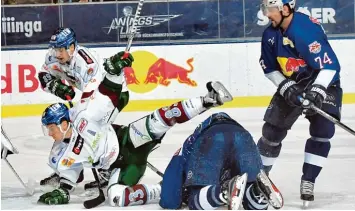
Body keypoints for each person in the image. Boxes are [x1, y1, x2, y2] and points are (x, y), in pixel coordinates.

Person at [37, 76, 234, 205]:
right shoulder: (58, 153)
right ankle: (170, 190)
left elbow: (107, 94)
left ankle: (208, 100)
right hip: (119, 167)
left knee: (160, 119)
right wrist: (63, 191)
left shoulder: (84, 116)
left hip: (127, 139)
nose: (49, 133)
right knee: (116, 198)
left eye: (52, 128)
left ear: (64, 124)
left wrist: (114, 74)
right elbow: (72, 170)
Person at [258, 0, 342, 207]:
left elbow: (331, 66)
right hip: (293, 83)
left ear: (286, 9)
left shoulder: (304, 32)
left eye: (271, 9)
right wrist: (285, 86)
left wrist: (317, 90)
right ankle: (257, 178)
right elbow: (269, 68)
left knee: (323, 131)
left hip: (322, 81)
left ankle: (308, 180)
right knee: (271, 133)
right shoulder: (270, 35)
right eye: (265, 9)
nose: (267, 14)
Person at [37, 27, 133, 188]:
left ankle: (105, 169)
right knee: (69, 129)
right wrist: (54, 86)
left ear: (72, 47)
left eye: (60, 49)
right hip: (89, 98)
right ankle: (70, 169)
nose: (57, 53)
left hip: (111, 95)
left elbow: (92, 99)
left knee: (88, 129)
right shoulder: (53, 58)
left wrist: (79, 119)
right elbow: (43, 75)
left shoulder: (87, 63)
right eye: (54, 49)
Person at [158, 112, 283, 210]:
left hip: (211, 138)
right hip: (244, 137)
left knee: (195, 202)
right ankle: (257, 190)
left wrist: (184, 195)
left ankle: (224, 191)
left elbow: (169, 200)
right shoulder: (193, 144)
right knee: (251, 195)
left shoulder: (186, 148)